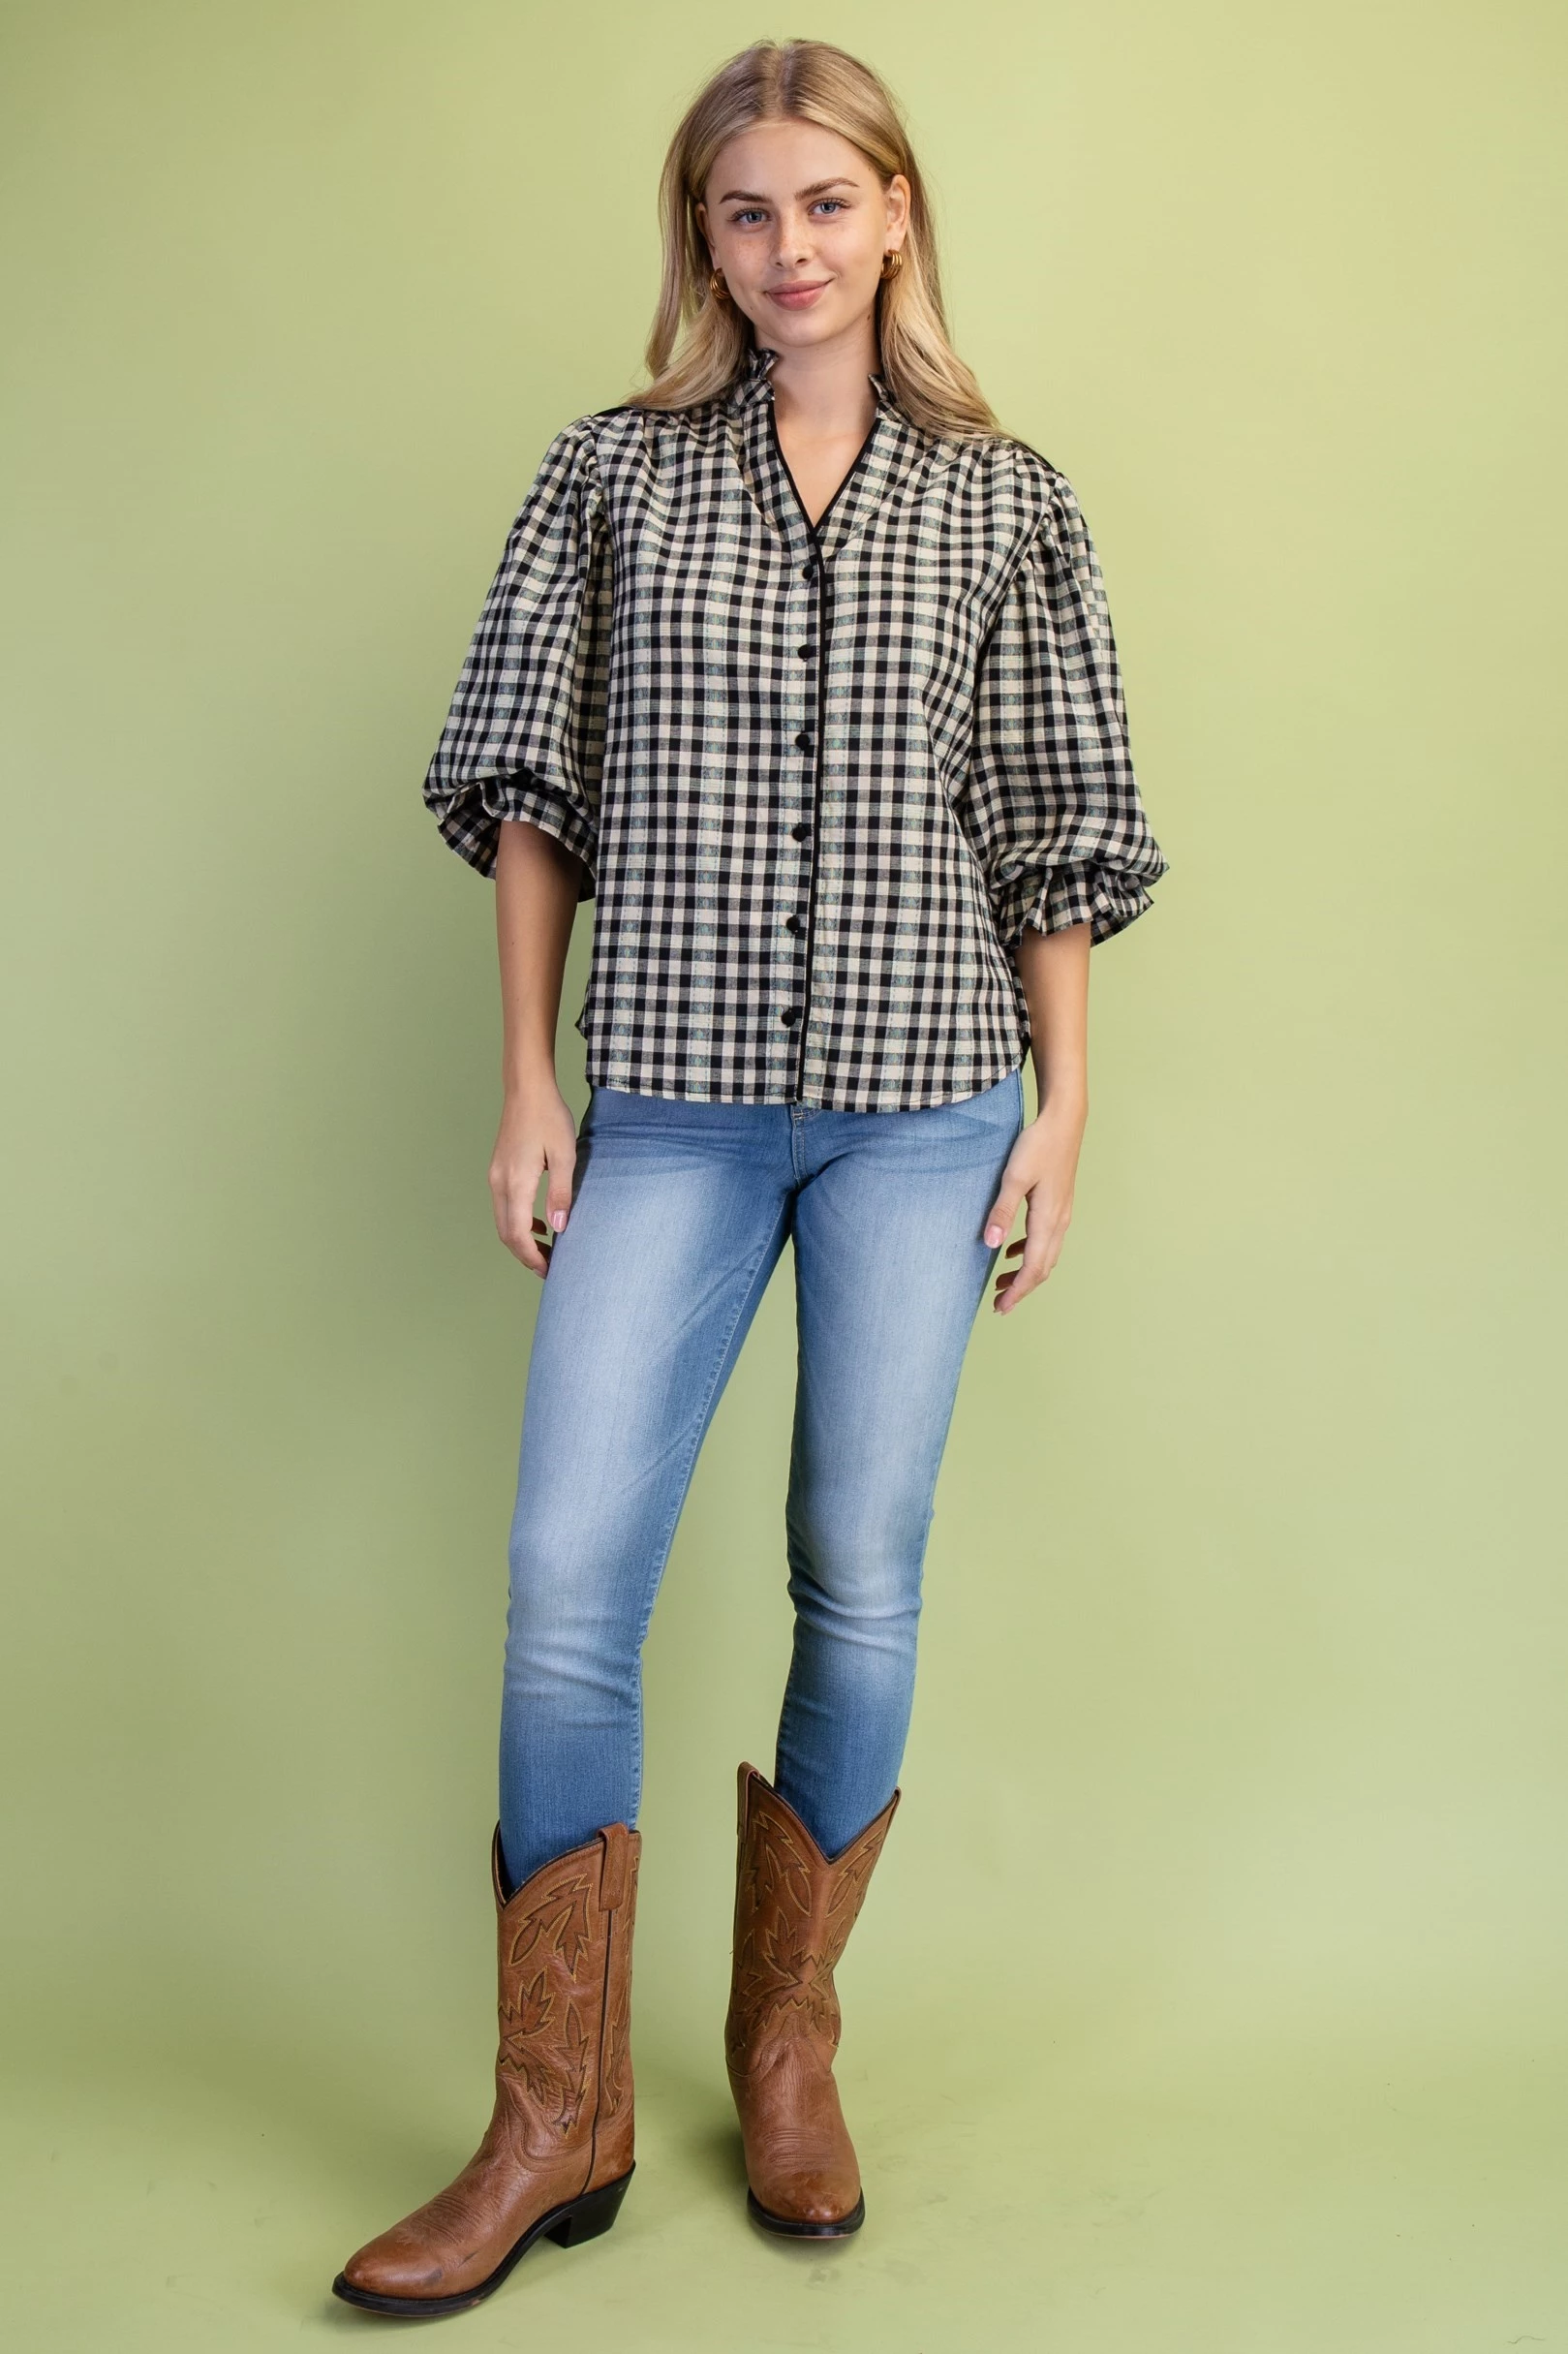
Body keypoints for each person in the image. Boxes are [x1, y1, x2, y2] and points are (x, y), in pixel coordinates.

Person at [331, 35, 1168, 2319]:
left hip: (923, 1107)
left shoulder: (1004, 505)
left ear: (894, 213)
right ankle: (550, 2118)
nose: (786, 246)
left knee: (855, 1575)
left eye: (823, 201)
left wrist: (1061, 1109)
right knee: (564, 1579)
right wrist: (530, 1080)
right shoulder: (606, 479)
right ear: (698, 239)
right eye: (741, 209)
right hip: (674, 1107)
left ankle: (785, 2045)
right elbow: (531, 788)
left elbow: (1049, 821)